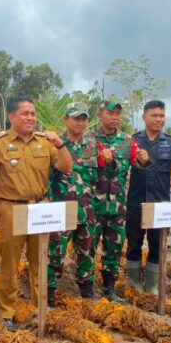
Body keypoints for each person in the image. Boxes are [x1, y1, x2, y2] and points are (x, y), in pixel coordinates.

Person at [0, 97, 72, 332]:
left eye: (33, 114)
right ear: (11, 117)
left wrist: (60, 144)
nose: (31, 118)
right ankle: (6, 312)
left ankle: (39, 307)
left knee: (39, 261)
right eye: (25, 114)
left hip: (40, 208)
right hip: (11, 208)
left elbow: (66, 167)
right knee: (9, 263)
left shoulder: (45, 142)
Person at [125, 101, 171, 294]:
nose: (159, 119)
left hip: (160, 205)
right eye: (154, 115)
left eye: (162, 116)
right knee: (134, 242)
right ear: (144, 117)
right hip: (136, 203)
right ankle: (134, 282)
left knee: (157, 244)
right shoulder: (133, 141)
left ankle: (153, 285)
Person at [47, 102, 100, 306]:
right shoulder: (54, 144)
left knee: (87, 252)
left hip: (86, 209)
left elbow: (98, 178)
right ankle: (49, 293)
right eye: (76, 118)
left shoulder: (92, 145)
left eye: (84, 118)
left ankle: (87, 292)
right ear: (66, 119)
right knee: (55, 253)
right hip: (61, 210)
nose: (80, 122)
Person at [90, 99, 138, 303]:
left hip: (117, 206)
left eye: (118, 114)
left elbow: (136, 166)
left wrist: (144, 160)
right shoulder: (88, 139)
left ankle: (109, 288)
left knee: (115, 248)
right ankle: (87, 289)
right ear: (99, 115)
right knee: (86, 248)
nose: (115, 117)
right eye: (110, 113)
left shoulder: (127, 141)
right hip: (92, 206)